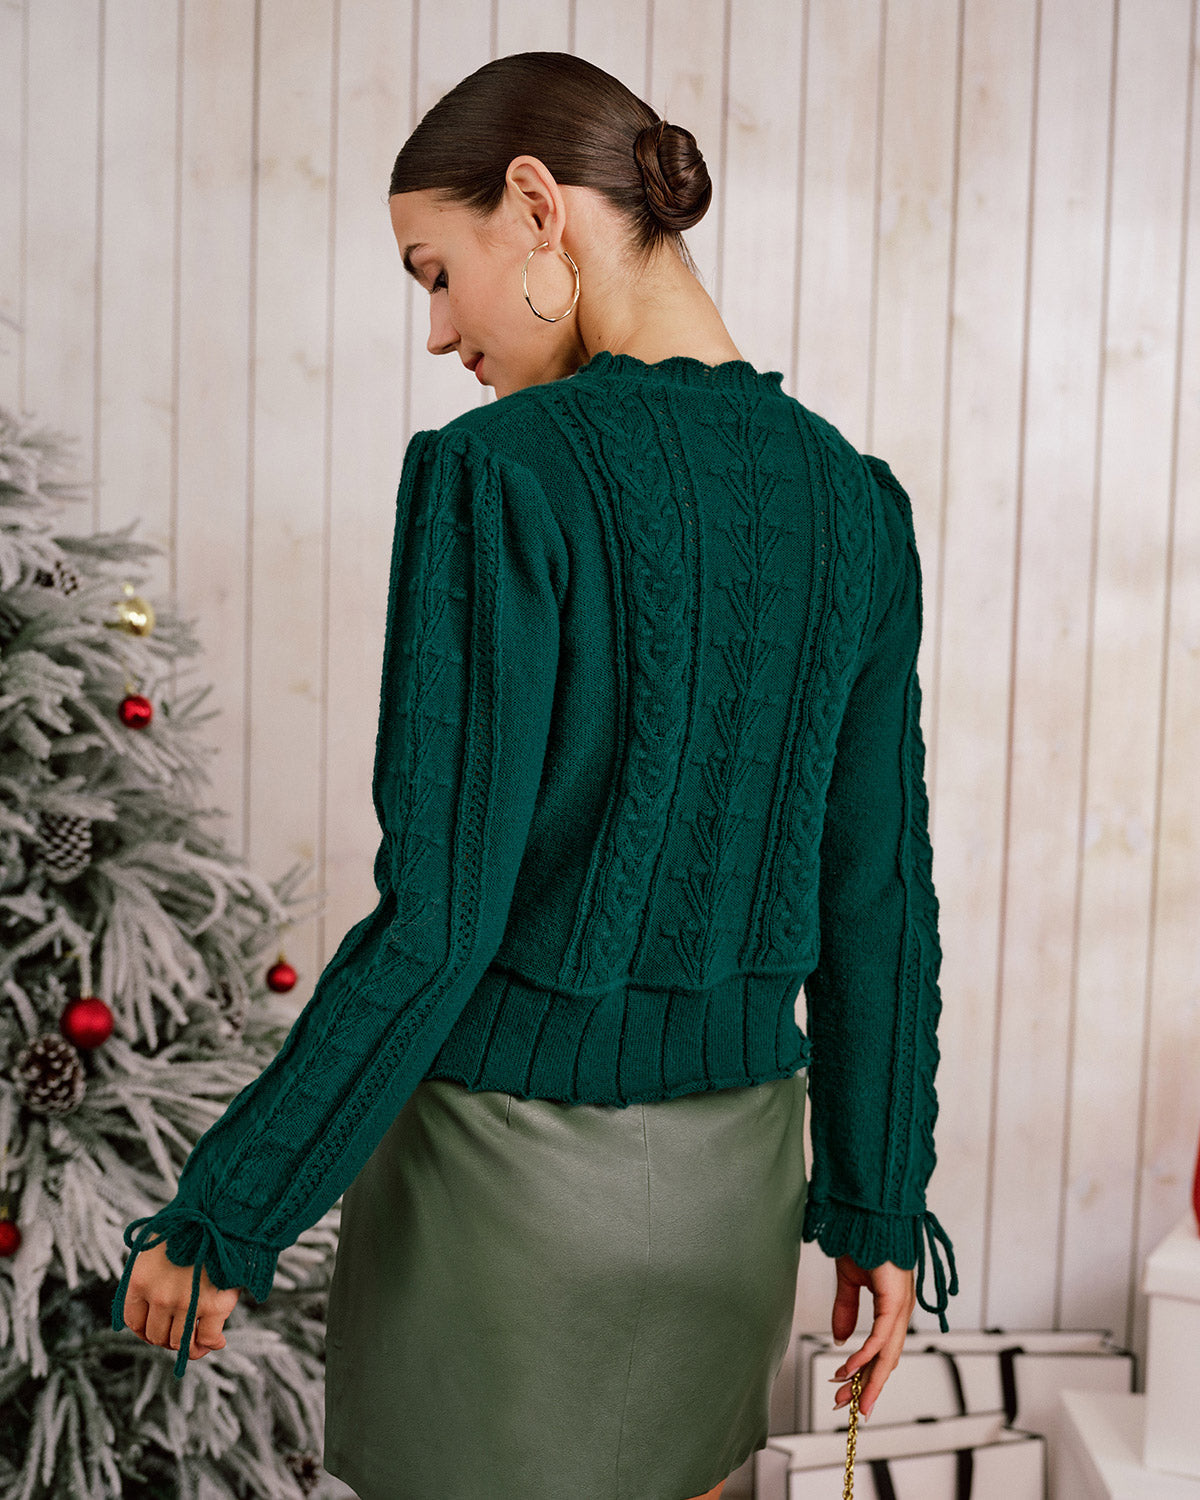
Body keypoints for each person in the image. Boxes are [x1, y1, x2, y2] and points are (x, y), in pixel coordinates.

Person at [111, 49, 958, 1500]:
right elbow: (876, 895)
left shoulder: (501, 474)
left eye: (437, 273)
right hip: (736, 1196)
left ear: (537, 205)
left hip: (500, 1194)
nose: (441, 331)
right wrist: (880, 1204)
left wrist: (229, 1211)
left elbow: (440, 920)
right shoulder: (855, 505)